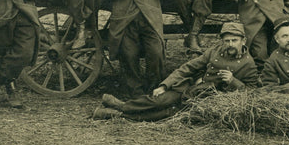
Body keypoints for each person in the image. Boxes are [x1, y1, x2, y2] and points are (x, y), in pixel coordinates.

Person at [92, 22, 258, 121]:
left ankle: (116, 114)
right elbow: (188, 68)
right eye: (226, 40)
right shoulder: (214, 51)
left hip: (208, 99)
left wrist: (233, 81)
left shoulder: (248, 64)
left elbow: (251, 92)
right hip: (190, 88)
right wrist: (165, 85)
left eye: (234, 40)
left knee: (166, 113)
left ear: (243, 40)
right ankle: (123, 106)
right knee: (159, 100)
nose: (230, 44)